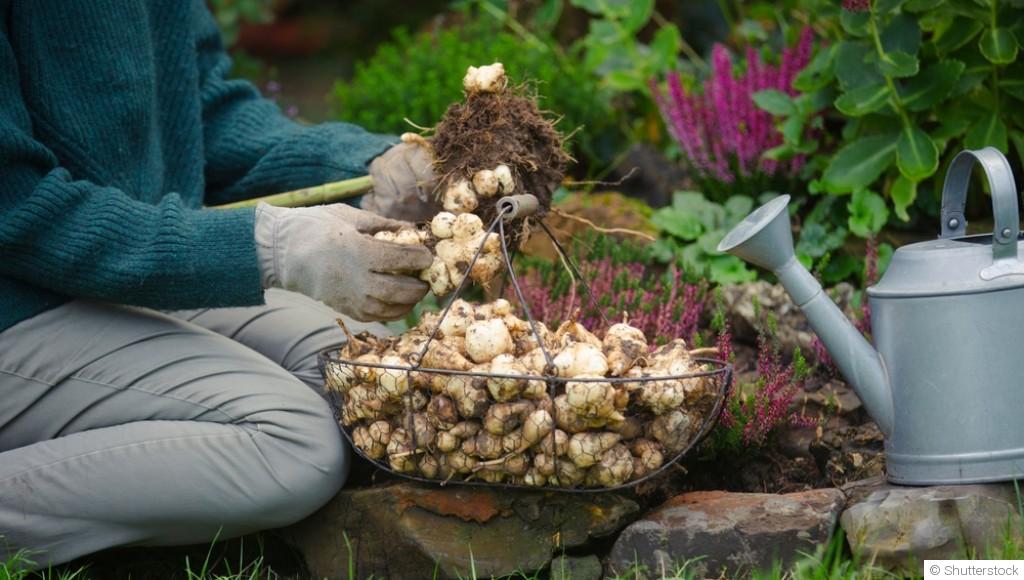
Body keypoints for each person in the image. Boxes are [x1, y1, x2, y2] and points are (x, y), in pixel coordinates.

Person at [0, 0, 435, 567]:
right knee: (298, 446)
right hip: (20, 305)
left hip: (119, 277)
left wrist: (371, 168)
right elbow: (19, 209)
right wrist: (267, 250)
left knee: (371, 380)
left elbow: (203, 112)